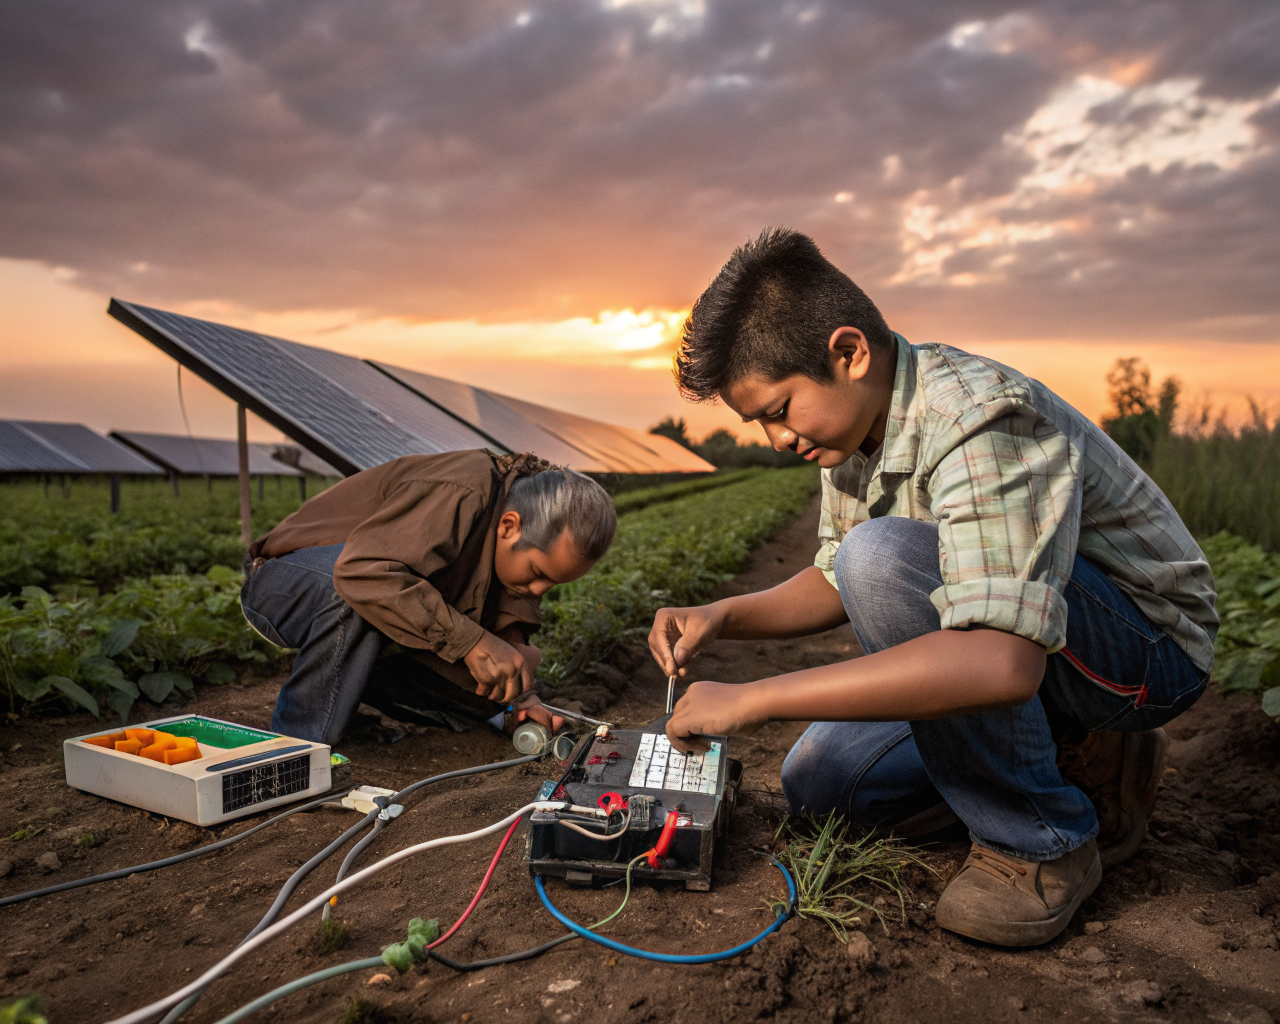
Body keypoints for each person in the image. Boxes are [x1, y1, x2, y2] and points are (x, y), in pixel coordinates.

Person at [648, 229, 1217, 947]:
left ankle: (1040, 843)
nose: (774, 440)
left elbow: (1000, 661)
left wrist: (754, 699)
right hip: (1035, 637)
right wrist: (722, 616)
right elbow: (831, 576)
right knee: (822, 784)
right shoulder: (856, 431)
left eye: (778, 411)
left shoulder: (977, 416)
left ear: (848, 353)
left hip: (1145, 650)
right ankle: (1082, 749)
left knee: (880, 558)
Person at [240, 449, 616, 746]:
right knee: (365, 591)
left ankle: (354, 689)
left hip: (373, 595)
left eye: (551, 586)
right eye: (537, 575)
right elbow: (362, 572)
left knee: (488, 686)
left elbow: (507, 625)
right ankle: (297, 748)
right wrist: (472, 641)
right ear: (509, 526)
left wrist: (520, 690)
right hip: (286, 583)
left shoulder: (519, 524)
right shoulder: (463, 491)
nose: (538, 591)